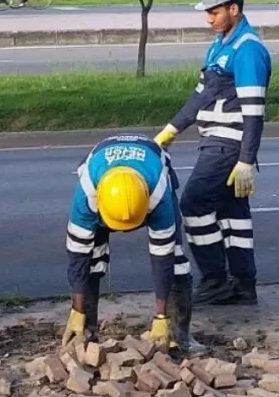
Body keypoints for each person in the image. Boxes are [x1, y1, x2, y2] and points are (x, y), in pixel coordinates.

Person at [153, 0, 271, 306]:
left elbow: (254, 111)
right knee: (234, 215)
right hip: (214, 141)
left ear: (234, 9)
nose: (209, 19)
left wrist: (246, 159)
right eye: (207, 12)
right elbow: (201, 96)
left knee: (193, 204)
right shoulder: (219, 45)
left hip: (226, 144)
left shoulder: (247, 49)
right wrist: (170, 130)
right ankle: (244, 286)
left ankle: (215, 280)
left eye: (214, 12)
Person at [63, 133, 209, 357]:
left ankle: (178, 336)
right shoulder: (86, 194)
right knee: (91, 261)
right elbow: (77, 259)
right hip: (104, 186)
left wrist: (161, 318)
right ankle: (85, 333)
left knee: (176, 262)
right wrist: (76, 312)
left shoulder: (159, 193)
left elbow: (163, 259)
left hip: (149, 174)